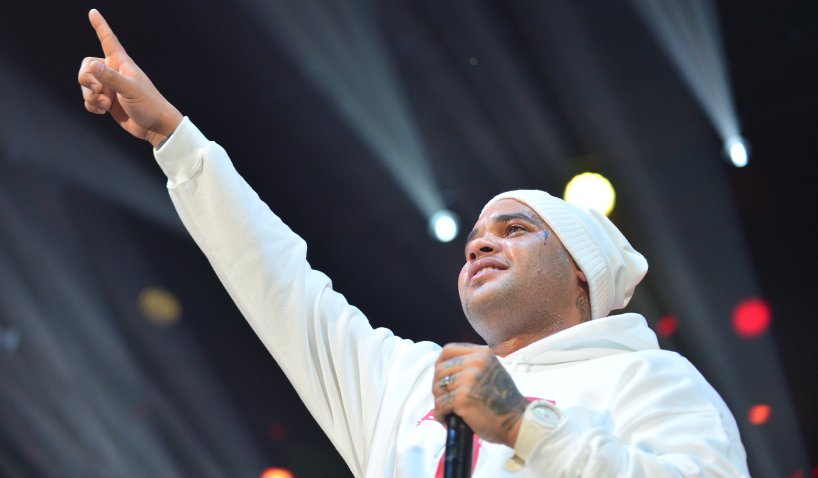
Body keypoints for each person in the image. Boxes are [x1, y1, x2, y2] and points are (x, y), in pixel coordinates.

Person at [77, 9, 750, 477]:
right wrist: (177, 143)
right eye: (476, 237)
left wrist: (524, 427)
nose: (481, 245)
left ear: (583, 275)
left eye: (515, 230)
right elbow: (278, 283)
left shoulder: (648, 378)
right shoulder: (407, 382)